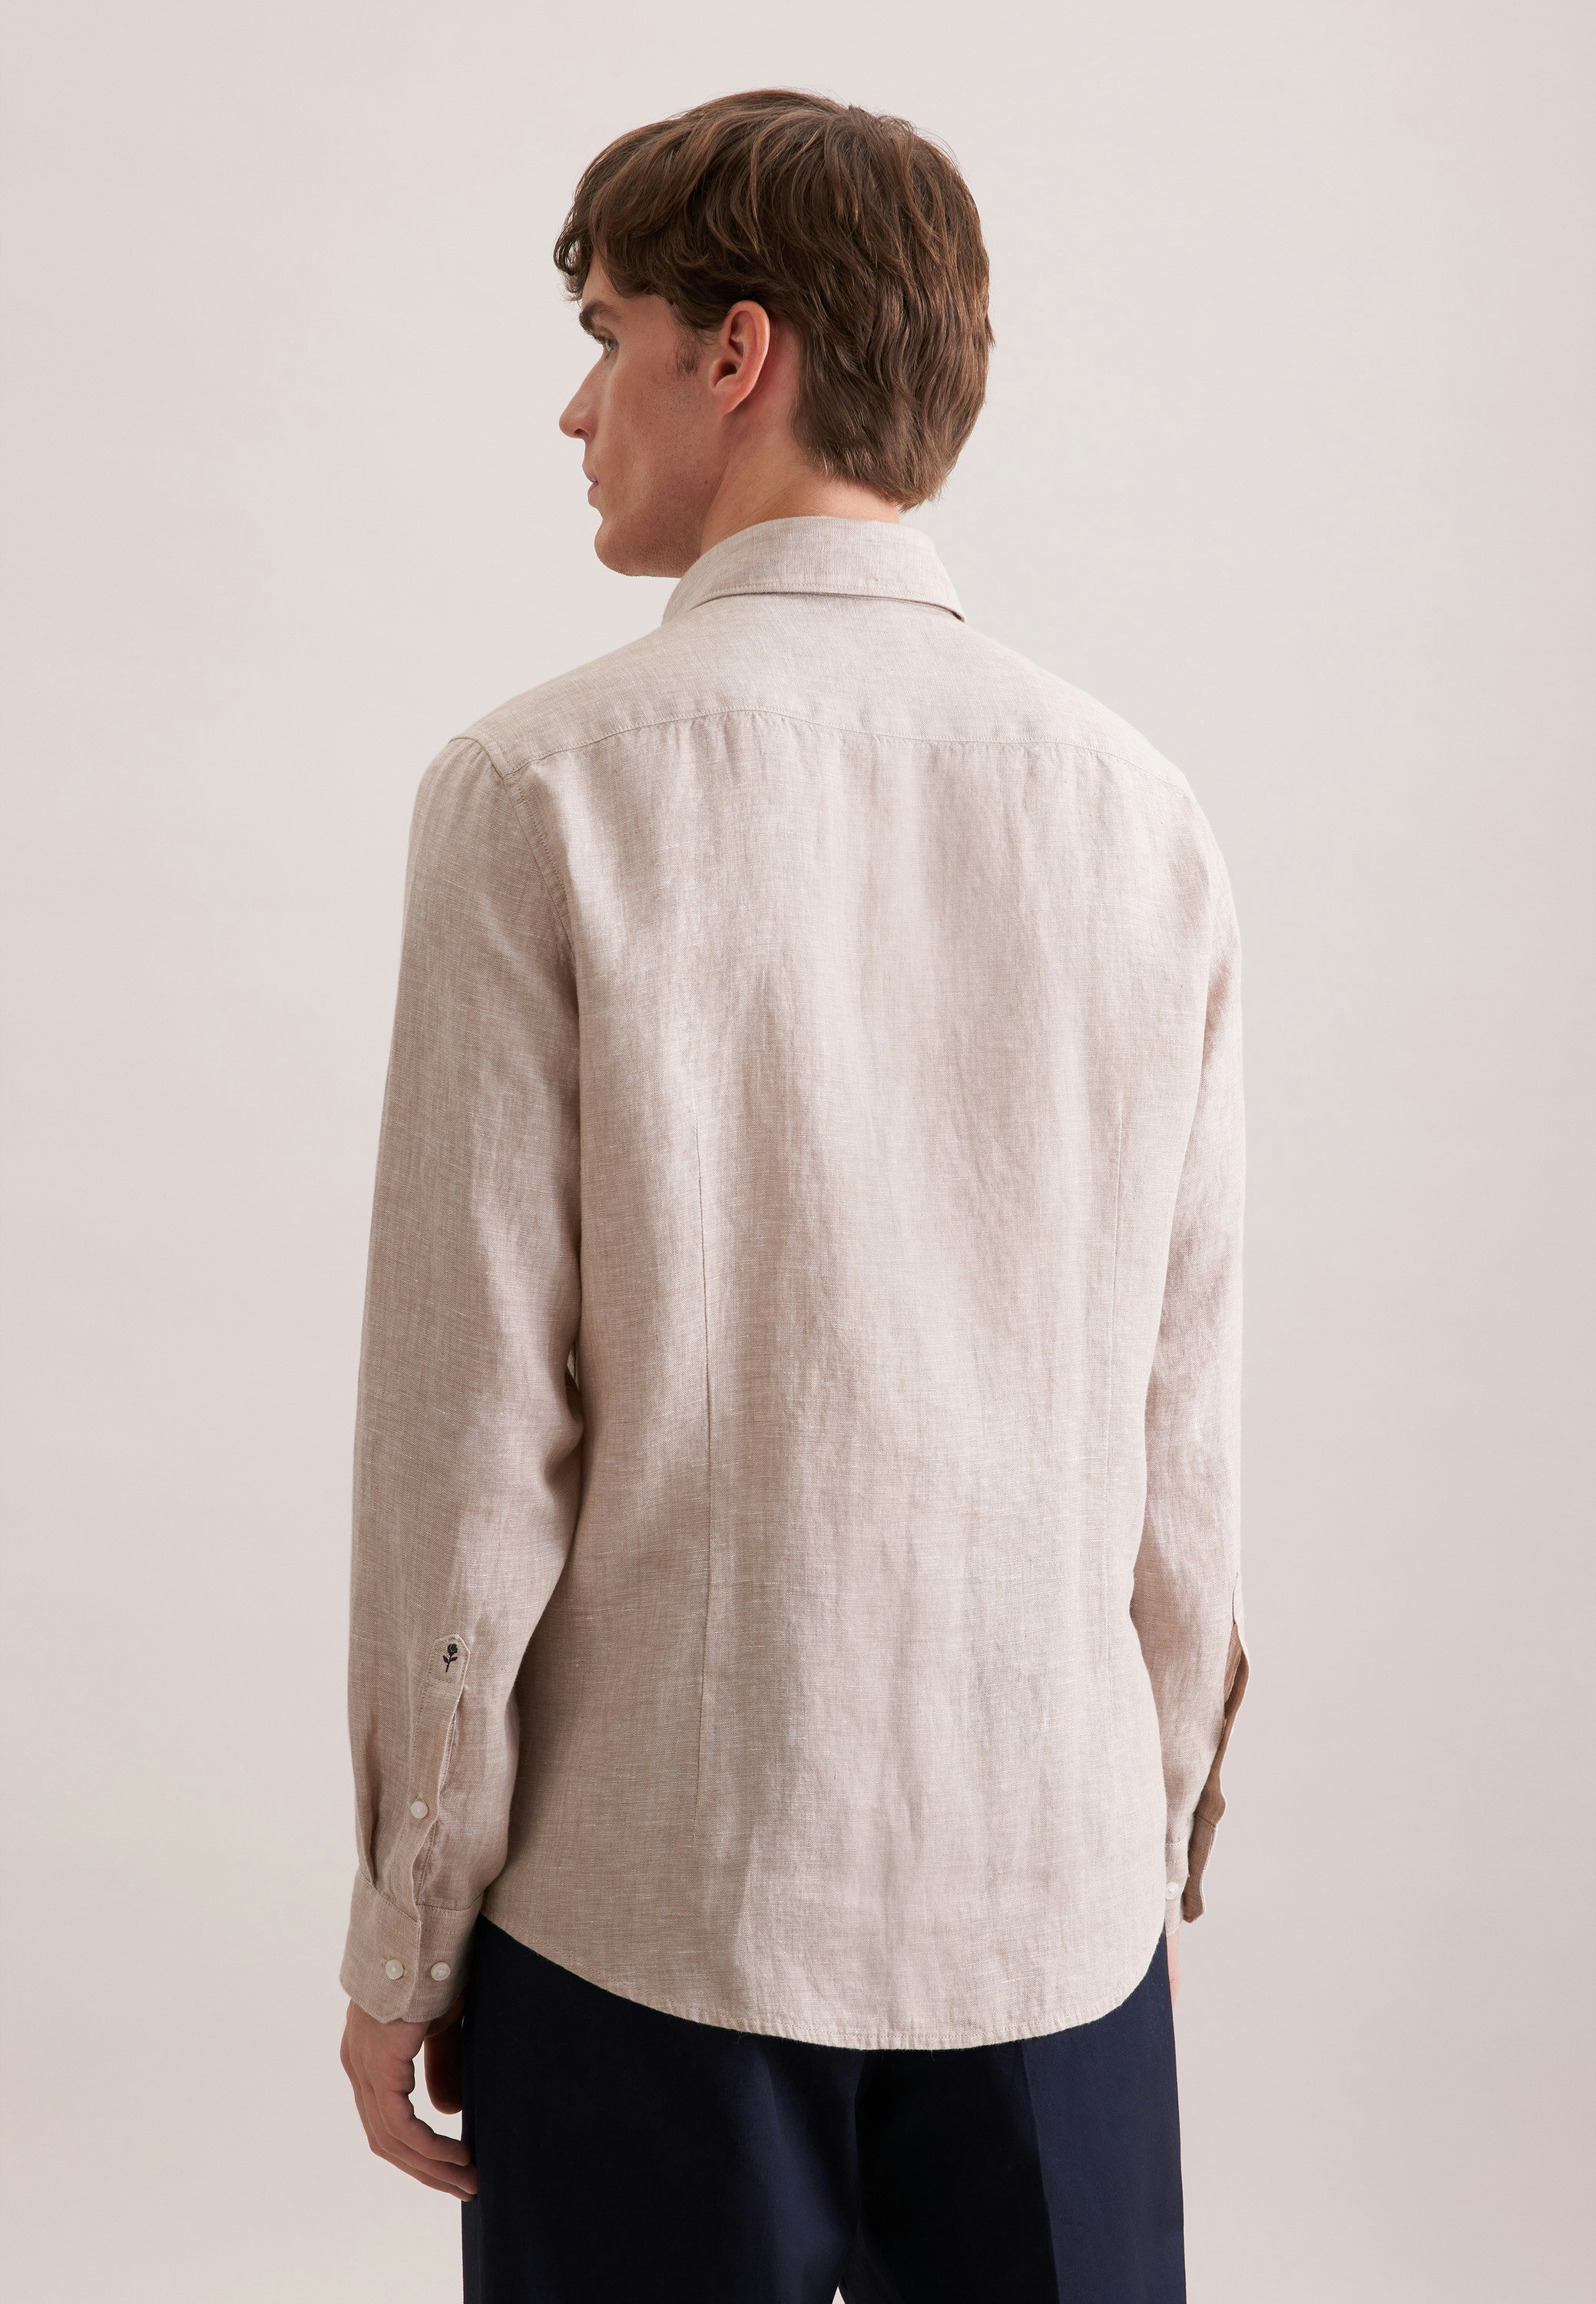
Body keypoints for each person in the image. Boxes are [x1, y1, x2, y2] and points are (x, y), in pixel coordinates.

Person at [337, 88, 1249, 2304]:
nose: (577, 407)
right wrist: (1144, 1837)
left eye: (605, 333)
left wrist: (406, 1926)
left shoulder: (538, 791)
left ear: (735, 353)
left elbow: (472, 1445)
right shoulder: (1138, 812)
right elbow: (1184, 1433)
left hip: (657, 1910)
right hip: (1050, 1924)